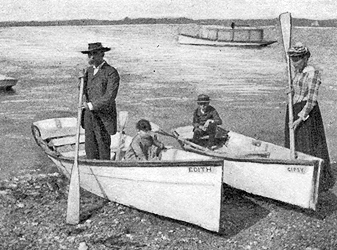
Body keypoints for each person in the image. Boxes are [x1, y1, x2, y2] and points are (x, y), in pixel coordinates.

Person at [285, 42, 335, 192]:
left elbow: (311, 99)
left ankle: (317, 180)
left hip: (306, 113)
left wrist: (300, 118)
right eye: (292, 59)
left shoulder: (312, 72)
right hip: (293, 108)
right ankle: (295, 176)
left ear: (306, 58)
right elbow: (297, 90)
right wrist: (290, 91)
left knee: (308, 144)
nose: (294, 63)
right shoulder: (298, 72)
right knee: (294, 143)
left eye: (297, 59)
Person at [79, 42, 120, 160]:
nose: (91, 57)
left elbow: (110, 97)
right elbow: (82, 92)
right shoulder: (88, 71)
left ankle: (104, 168)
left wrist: (92, 105)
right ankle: (91, 169)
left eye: (94, 54)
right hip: (88, 115)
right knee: (90, 144)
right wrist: (81, 80)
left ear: (102, 54)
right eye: (89, 54)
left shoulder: (111, 72)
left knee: (102, 145)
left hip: (103, 115)